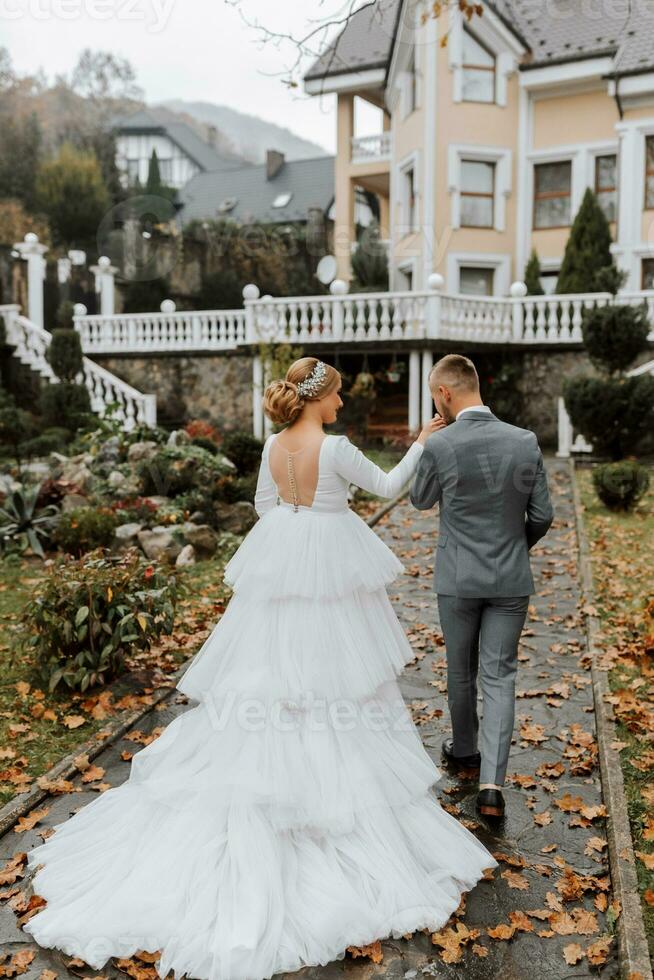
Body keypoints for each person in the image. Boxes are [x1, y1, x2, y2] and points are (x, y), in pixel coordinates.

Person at [22, 356, 496, 980]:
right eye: (337, 398)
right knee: (338, 686)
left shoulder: (274, 443)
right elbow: (387, 488)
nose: (343, 406)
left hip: (283, 553)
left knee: (269, 682)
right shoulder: (337, 448)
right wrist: (421, 442)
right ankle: (324, 801)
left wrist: (294, 532)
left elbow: (262, 505)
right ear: (319, 398)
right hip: (327, 558)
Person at [410, 353, 554, 819]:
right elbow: (543, 515)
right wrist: (516, 547)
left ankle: (464, 750)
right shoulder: (525, 441)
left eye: (436, 396)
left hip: (457, 578)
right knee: (500, 676)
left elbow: (420, 499)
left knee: (460, 671)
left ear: (445, 393)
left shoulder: (441, 444)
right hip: (510, 579)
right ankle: (491, 785)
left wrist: (425, 444)